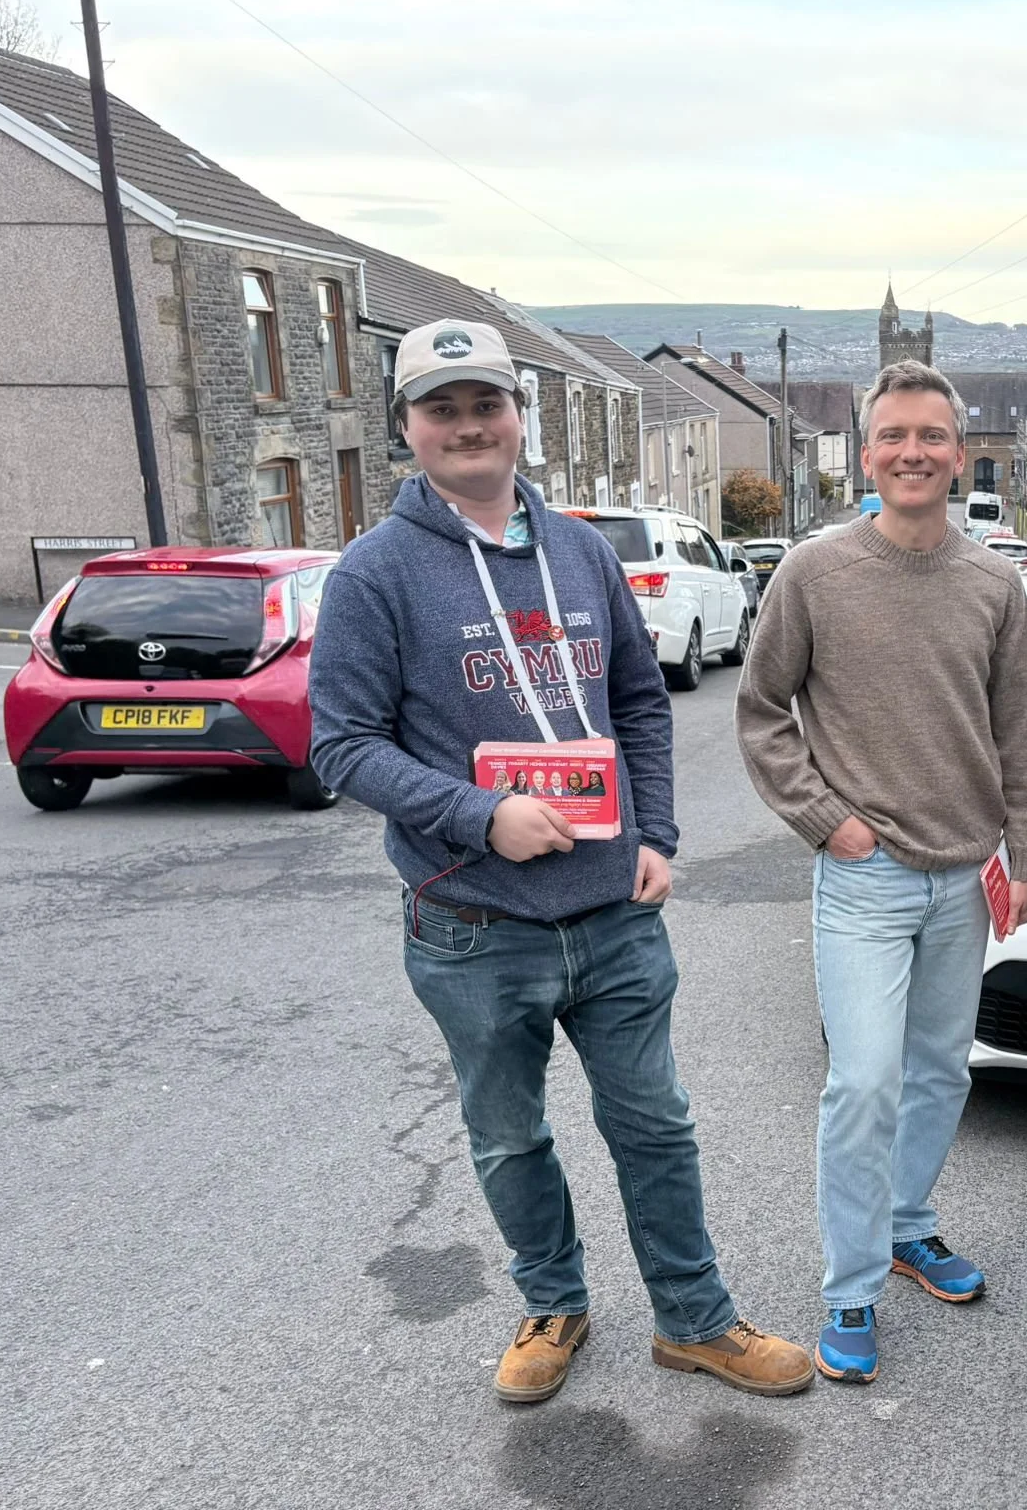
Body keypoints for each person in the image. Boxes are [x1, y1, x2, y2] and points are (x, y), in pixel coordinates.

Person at [310, 317, 812, 1407]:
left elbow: (638, 700)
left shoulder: (582, 549)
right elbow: (341, 745)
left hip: (612, 913)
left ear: (517, 417)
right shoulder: (374, 575)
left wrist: (659, 837)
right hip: (472, 922)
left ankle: (694, 1320)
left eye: (485, 403)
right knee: (507, 1137)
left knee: (655, 1126)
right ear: (407, 428)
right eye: (441, 408)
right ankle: (554, 1304)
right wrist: (479, 814)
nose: (467, 425)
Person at [737, 359, 1027, 1385]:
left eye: (931, 436)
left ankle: (910, 1225)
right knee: (862, 1080)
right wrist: (826, 822)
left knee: (938, 1073)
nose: (912, 453)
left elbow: (1021, 735)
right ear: (864, 453)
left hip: (966, 876)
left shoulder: (994, 583)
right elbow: (759, 712)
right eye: (892, 437)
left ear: (959, 455)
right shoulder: (813, 573)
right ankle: (850, 1289)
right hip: (864, 878)